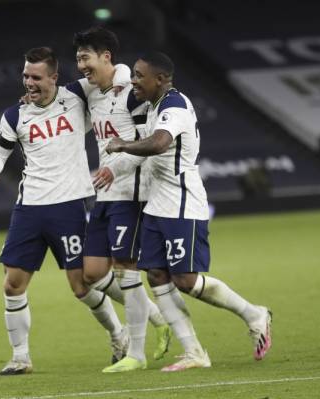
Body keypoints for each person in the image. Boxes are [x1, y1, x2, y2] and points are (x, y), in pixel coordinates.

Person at [106, 52, 272, 372]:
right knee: (155, 274)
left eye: (141, 76)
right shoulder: (155, 104)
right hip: (158, 203)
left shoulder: (175, 105)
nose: (134, 81)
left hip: (182, 202)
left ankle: (254, 314)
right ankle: (194, 351)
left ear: (162, 79)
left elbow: (158, 143)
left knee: (184, 279)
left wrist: (123, 144)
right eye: (134, 74)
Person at [0, 47, 131, 376]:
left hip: (69, 204)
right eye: (25, 76)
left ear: (54, 77)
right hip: (29, 208)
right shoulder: (14, 116)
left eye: (35, 77)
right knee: (12, 284)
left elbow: (118, 70)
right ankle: (20, 358)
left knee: (81, 287)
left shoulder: (76, 95)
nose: (29, 83)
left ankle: (120, 334)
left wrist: (125, 80)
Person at [72, 26, 171, 373]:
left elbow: (149, 146)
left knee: (125, 269)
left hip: (132, 193)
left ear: (106, 57)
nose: (81, 65)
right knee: (93, 273)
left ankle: (136, 354)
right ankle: (157, 316)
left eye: (86, 58)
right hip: (106, 194)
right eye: (78, 59)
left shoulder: (133, 92)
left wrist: (116, 169)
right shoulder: (92, 92)